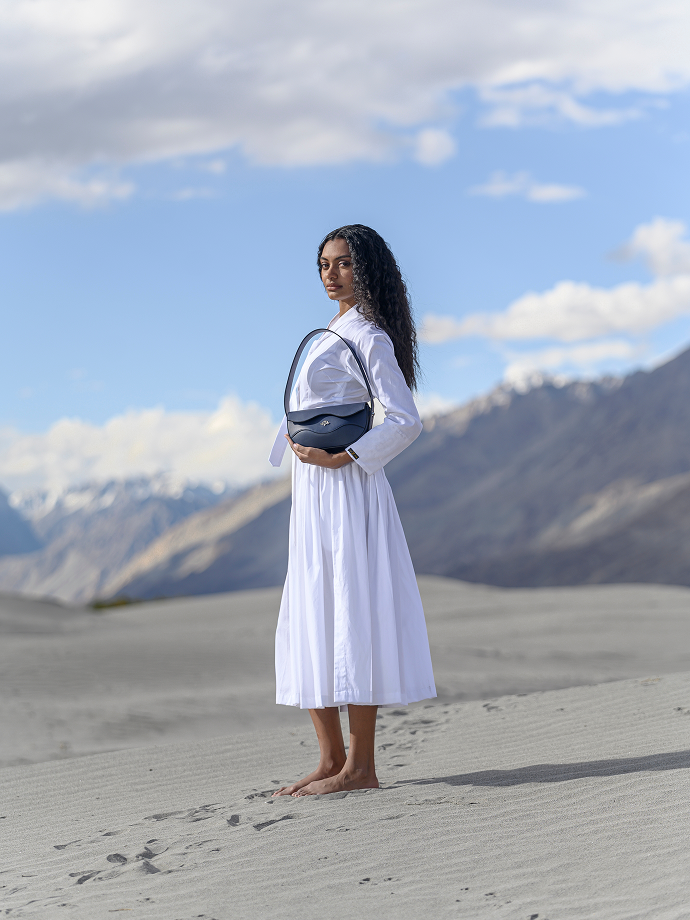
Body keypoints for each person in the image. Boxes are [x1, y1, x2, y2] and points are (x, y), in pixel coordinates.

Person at [268, 224, 436, 797]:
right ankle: (331, 759)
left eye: (343, 263)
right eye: (323, 264)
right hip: (312, 492)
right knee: (312, 608)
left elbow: (405, 420)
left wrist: (344, 458)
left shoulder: (369, 335)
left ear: (367, 268)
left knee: (351, 609)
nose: (331, 274)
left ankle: (361, 768)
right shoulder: (330, 331)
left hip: (347, 491)